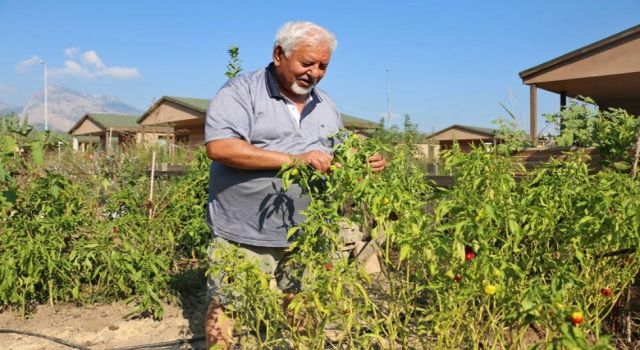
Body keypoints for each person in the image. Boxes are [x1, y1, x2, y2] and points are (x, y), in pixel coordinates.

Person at [203, 20, 385, 348]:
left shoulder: (326, 105)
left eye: (323, 66)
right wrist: (295, 159)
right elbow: (220, 147)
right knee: (228, 305)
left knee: (302, 301)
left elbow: (341, 147)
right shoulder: (241, 92)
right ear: (278, 54)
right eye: (306, 63)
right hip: (244, 230)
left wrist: (366, 159)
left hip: (307, 231)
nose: (314, 73)